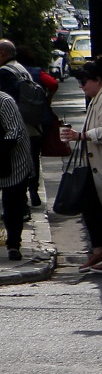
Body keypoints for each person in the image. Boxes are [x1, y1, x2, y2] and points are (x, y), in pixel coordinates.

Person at [60, 62, 102, 272]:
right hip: (94, 162)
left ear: (98, 80)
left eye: (83, 82)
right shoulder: (96, 98)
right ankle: (100, 250)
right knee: (92, 206)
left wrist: (80, 136)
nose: (81, 86)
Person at [0, 39, 49, 206]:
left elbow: (7, 103)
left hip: (19, 127)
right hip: (33, 125)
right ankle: (31, 192)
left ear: (2, 54)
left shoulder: (5, 72)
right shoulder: (20, 69)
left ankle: (21, 203)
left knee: (16, 170)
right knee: (31, 161)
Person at [0, 84, 31, 260]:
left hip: (15, 160)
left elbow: (15, 132)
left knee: (13, 206)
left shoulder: (4, 101)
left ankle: (13, 244)